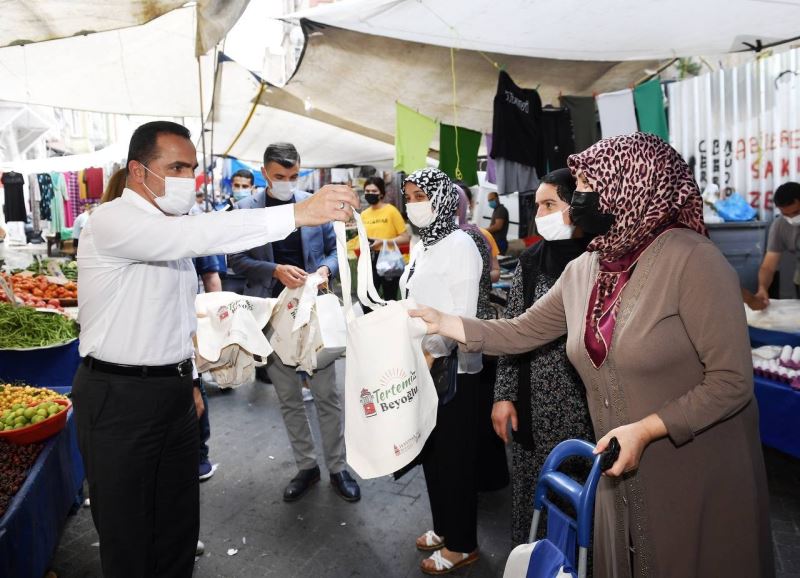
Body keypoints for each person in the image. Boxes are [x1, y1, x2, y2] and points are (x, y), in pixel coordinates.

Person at [410, 133, 773, 578]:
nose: (577, 199)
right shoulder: (588, 268)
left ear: (630, 185)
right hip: (618, 466)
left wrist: (647, 429)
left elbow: (732, 381)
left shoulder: (694, 260)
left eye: (585, 185)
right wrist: (444, 322)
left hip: (694, 465)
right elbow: (523, 330)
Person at [71, 121, 358, 578]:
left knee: (178, 523)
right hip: (118, 396)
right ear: (138, 172)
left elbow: (174, 313)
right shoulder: (112, 222)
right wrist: (298, 212)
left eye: (193, 167)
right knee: (128, 535)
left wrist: (190, 381)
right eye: (177, 167)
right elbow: (206, 236)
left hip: (172, 394)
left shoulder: (173, 228)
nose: (189, 177)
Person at [228, 142, 360, 503]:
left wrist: (323, 269)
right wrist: (274, 270)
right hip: (270, 313)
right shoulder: (245, 209)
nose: (287, 182)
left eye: (293, 175)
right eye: (279, 176)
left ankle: (337, 466)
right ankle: (306, 465)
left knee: (326, 395)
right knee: (288, 397)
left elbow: (337, 251)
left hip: (313, 312)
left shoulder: (313, 204)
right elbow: (236, 259)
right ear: (265, 173)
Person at [492, 168, 594, 546]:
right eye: (537, 207)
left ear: (578, 205)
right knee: (535, 501)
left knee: (585, 506)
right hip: (534, 404)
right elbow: (512, 330)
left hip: (588, 407)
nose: (541, 215)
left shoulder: (603, 258)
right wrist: (503, 395)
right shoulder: (532, 261)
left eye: (550, 204)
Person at [400, 168, 483, 575]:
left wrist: (432, 352)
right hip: (424, 366)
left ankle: (463, 543)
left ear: (443, 199)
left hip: (452, 370)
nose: (414, 204)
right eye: (410, 196)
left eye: (421, 195)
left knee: (455, 458)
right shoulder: (423, 244)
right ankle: (443, 527)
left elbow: (463, 315)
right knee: (432, 455)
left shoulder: (461, 244)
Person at [454, 184, 509, 494]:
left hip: (476, 330)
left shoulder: (472, 236)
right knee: (478, 406)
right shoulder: (455, 237)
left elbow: (494, 272)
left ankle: (487, 475)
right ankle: (487, 474)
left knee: (478, 405)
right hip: (472, 329)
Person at [361, 175, 410, 300]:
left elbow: (405, 238)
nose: (370, 194)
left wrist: (382, 242)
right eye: (367, 191)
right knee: (368, 297)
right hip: (370, 259)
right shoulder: (364, 215)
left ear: (381, 193)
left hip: (389, 259)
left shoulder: (391, 211)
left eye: (374, 191)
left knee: (390, 297)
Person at [753, 181, 800, 307]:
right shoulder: (780, 225)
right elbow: (768, 266)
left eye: (796, 212)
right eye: (786, 214)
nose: (791, 218)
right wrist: (762, 288)